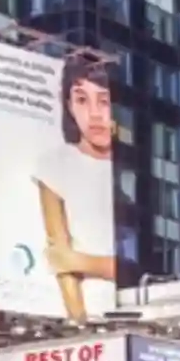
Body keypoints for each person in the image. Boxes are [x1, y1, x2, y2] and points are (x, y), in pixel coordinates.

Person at [36, 58, 117, 321]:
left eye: (104, 101)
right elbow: (58, 253)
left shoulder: (137, 168)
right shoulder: (55, 163)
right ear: (69, 106)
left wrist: (79, 261)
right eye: (82, 100)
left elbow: (139, 268)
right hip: (88, 317)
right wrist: (80, 322)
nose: (94, 113)